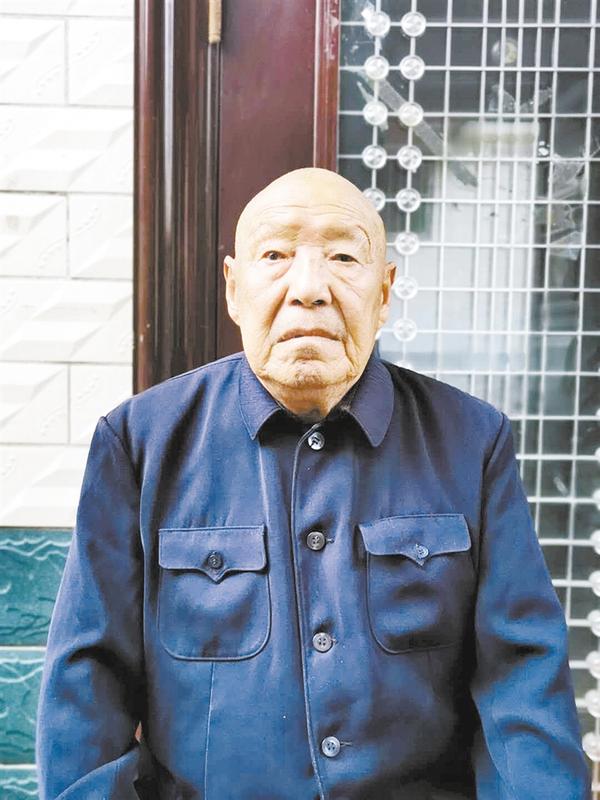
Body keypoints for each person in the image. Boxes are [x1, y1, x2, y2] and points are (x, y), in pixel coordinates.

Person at [35, 167, 590, 799]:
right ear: (234, 288)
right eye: (275, 256)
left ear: (385, 292)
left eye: (343, 258)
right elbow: (88, 687)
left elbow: (522, 683)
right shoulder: (140, 442)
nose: (309, 289)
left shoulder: (471, 441)